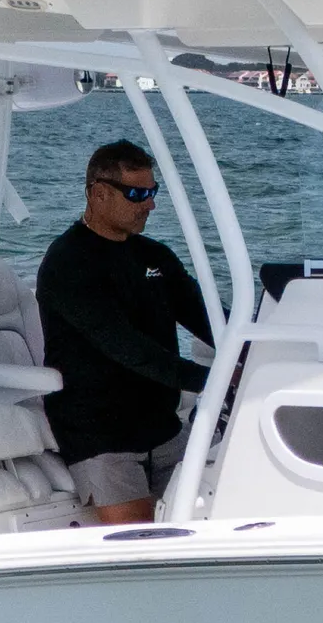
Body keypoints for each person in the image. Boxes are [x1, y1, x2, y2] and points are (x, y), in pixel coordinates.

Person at [36, 138, 211, 522]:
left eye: (152, 192)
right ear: (98, 194)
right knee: (145, 545)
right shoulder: (68, 264)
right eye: (136, 194)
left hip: (163, 430)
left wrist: (262, 348)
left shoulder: (156, 257)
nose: (150, 204)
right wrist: (212, 380)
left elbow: (212, 320)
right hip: (102, 437)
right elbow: (127, 348)